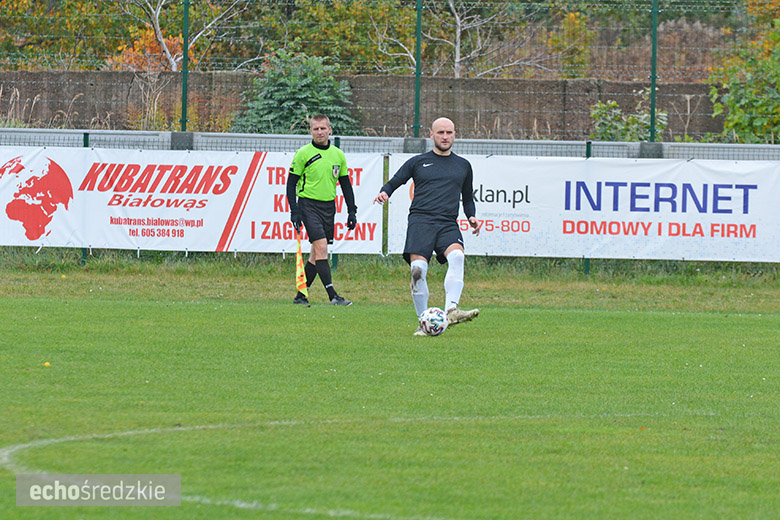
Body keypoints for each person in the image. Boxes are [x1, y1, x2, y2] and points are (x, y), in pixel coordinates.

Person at [373, 117, 482, 335]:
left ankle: (451, 309)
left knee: (458, 257)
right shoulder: (418, 162)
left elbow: (468, 197)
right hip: (420, 221)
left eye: (449, 132)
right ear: (431, 135)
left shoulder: (463, 165)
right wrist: (385, 192)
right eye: (440, 132)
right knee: (418, 271)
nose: (445, 137)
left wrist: (472, 217)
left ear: (454, 134)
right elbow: (396, 180)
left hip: (447, 223)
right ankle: (424, 322)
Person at [287, 114, 357, 306]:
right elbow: (290, 184)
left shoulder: (338, 154)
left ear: (330, 130)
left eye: (323, 128)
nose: (320, 132)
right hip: (308, 205)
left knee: (315, 255)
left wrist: (352, 211)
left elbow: (345, 184)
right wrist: (295, 211)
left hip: (329, 207)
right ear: (310, 131)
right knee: (322, 248)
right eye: (316, 129)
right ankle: (333, 296)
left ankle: (301, 295)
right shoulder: (303, 153)